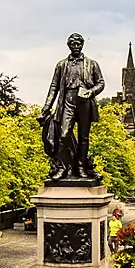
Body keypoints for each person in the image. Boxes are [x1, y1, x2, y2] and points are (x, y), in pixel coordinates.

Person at [39, 33, 105, 181]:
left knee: (83, 137)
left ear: (82, 45)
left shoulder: (92, 64)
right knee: (63, 134)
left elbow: (101, 83)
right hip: (67, 100)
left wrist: (90, 92)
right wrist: (46, 107)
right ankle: (62, 167)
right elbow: (54, 86)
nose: (76, 47)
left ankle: (81, 167)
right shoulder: (61, 65)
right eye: (73, 44)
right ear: (69, 46)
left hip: (85, 102)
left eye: (78, 44)